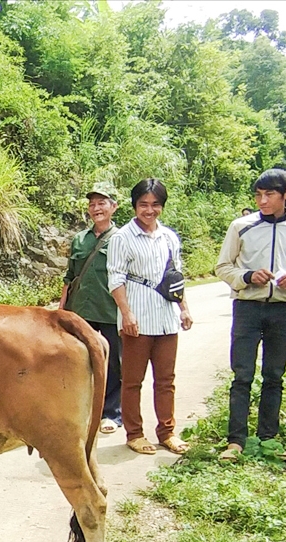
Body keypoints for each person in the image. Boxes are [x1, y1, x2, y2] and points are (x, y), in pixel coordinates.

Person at [215, 169, 286, 460]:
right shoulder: (241, 226)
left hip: (282, 309)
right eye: (258, 195)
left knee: (274, 375)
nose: (262, 201)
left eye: (269, 194)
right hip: (247, 307)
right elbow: (222, 267)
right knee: (242, 374)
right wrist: (247, 276)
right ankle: (236, 441)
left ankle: (268, 438)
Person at [108, 178, 194, 456]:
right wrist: (126, 313)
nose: (149, 210)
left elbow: (175, 278)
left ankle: (167, 431)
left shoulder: (169, 237)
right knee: (133, 380)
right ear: (134, 206)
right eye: (143, 204)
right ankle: (134, 433)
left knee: (166, 379)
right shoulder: (122, 238)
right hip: (138, 318)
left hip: (166, 318)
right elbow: (115, 278)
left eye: (155, 204)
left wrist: (184, 308)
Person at [60, 181, 123, 435]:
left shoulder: (122, 238)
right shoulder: (80, 239)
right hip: (81, 312)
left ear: (113, 207)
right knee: (80, 361)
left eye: (102, 203)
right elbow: (69, 276)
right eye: (92, 204)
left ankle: (110, 413)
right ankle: (83, 411)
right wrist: (62, 309)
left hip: (109, 310)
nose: (96, 208)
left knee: (113, 363)